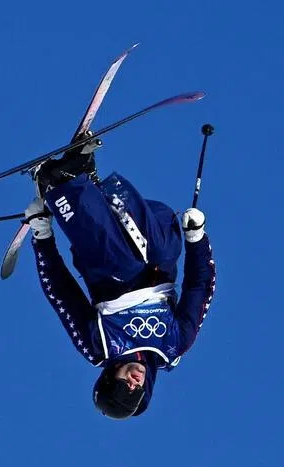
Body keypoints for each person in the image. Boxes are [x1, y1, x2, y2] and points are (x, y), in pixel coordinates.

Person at [24, 141, 216, 419]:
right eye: (136, 390)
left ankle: (62, 185)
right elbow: (200, 287)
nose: (134, 382)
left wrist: (42, 237)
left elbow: (62, 294)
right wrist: (196, 239)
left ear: (110, 378)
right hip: (157, 244)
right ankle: (85, 185)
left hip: (109, 271)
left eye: (123, 386)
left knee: (123, 262)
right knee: (162, 248)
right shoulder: (174, 344)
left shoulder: (100, 346)